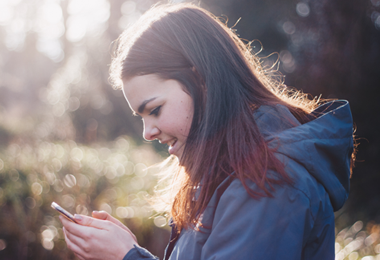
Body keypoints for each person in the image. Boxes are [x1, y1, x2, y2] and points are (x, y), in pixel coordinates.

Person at [59, 3, 355, 260]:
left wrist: (127, 256)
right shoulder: (234, 172)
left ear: (200, 80)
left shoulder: (268, 181)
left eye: (155, 110)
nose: (148, 132)